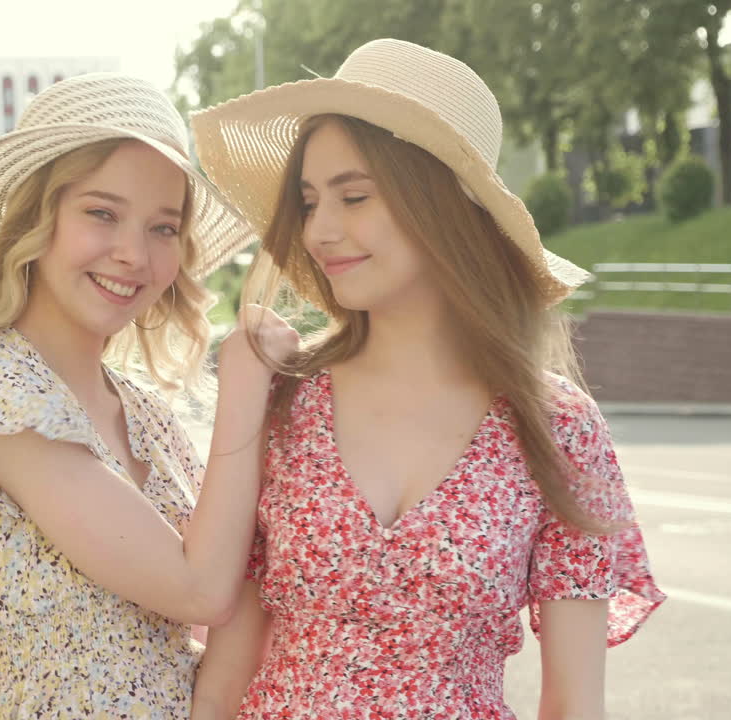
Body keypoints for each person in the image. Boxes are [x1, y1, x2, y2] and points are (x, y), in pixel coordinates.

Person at [189, 39, 666, 719]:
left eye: (354, 196)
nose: (321, 229)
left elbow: (573, 705)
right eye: (310, 200)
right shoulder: (282, 398)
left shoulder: (558, 428)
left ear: (442, 205)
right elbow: (229, 660)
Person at [0, 72, 297, 719]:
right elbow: (204, 588)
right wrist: (247, 388)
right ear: (36, 223)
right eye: (102, 213)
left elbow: (238, 583)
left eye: (162, 228)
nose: (133, 253)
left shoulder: (141, 410)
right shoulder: (1, 395)